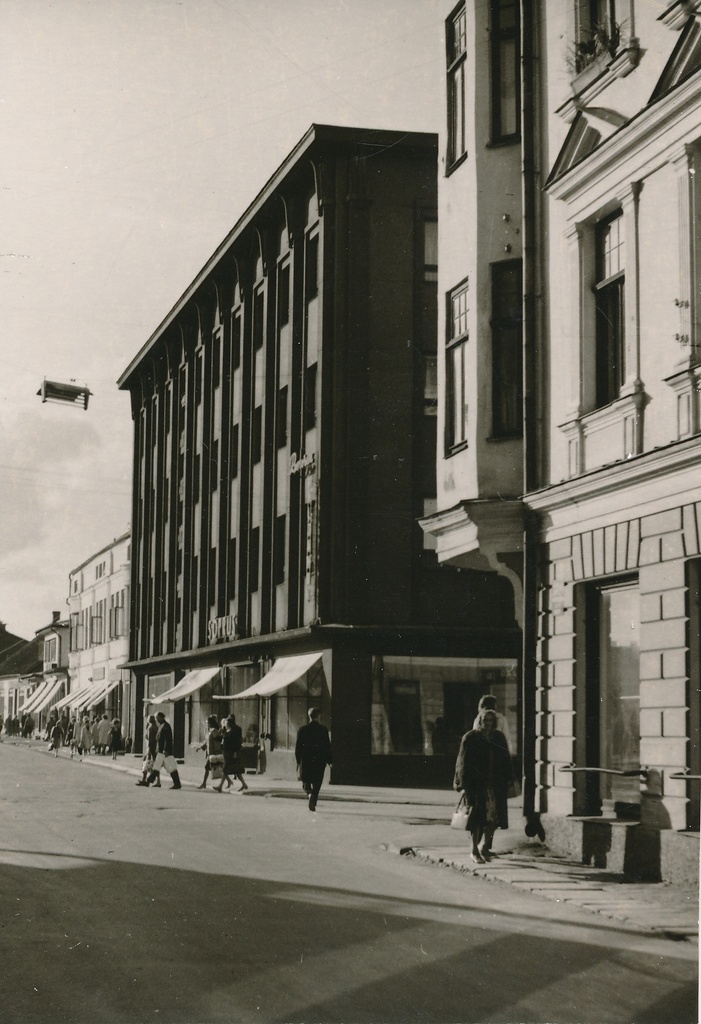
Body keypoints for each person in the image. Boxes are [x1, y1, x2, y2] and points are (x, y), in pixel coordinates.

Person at [454, 708, 512, 864]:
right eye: (485, 720)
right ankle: (474, 850)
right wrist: (462, 785)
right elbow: (462, 762)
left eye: (491, 721)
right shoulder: (471, 737)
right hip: (476, 785)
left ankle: (485, 847)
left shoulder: (498, 737)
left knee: (493, 818)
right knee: (477, 819)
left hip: (495, 785)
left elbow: (505, 759)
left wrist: (509, 779)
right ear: (479, 720)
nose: (488, 723)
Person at [295, 708, 332, 812]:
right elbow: (327, 747)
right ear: (319, 716)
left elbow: (298, 748)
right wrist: (330, 761)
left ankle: (309, 793)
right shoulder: (323, 730)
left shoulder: (302, 730)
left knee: (305, 781)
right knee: (317, 781)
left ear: (309, 716)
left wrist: (298, 761)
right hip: (319, 760)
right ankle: (313, 798)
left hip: (306, 759)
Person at [145, 711, 181, 789]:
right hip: (161, 750)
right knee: (157, 766)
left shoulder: (165, 726)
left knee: (170, 767)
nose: (156, 719)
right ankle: (148, 781)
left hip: (164, 751)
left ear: (161, 717)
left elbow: (167, 739)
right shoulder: (162, 725)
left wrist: (165, 750)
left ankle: (148, 781)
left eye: (157, 718)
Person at [217, 714, 248, 793]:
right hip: (226, 751)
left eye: (227, 723)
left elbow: (237, 742)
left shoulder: (234, 731)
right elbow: (221, 738)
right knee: (235, 769)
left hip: (231, 752)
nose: (225, 724)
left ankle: (220, 786)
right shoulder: (226, 730)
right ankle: (244, 784)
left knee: (225, 768)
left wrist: (235, 752)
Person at [197, 715, 225, 790]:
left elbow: (219, 740)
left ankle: (204, 783)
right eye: (206, 723)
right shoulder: (209, 731)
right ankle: (204, 783)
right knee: (211, 768)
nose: (206, 724)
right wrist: (200, 748)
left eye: (208, 723)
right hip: (210, 753)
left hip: (214, 753)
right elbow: (207, 742)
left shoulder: (214, 731)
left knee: (217, 768)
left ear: (211, 723)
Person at [137, 714, 160, 786]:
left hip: (150, 748)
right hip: (155, 748)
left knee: (146, 763)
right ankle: (158, 781)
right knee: (155, 765)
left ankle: (144, 779)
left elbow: (150, 739)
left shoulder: (150, 728)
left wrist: (149, 750)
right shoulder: (156, 727)